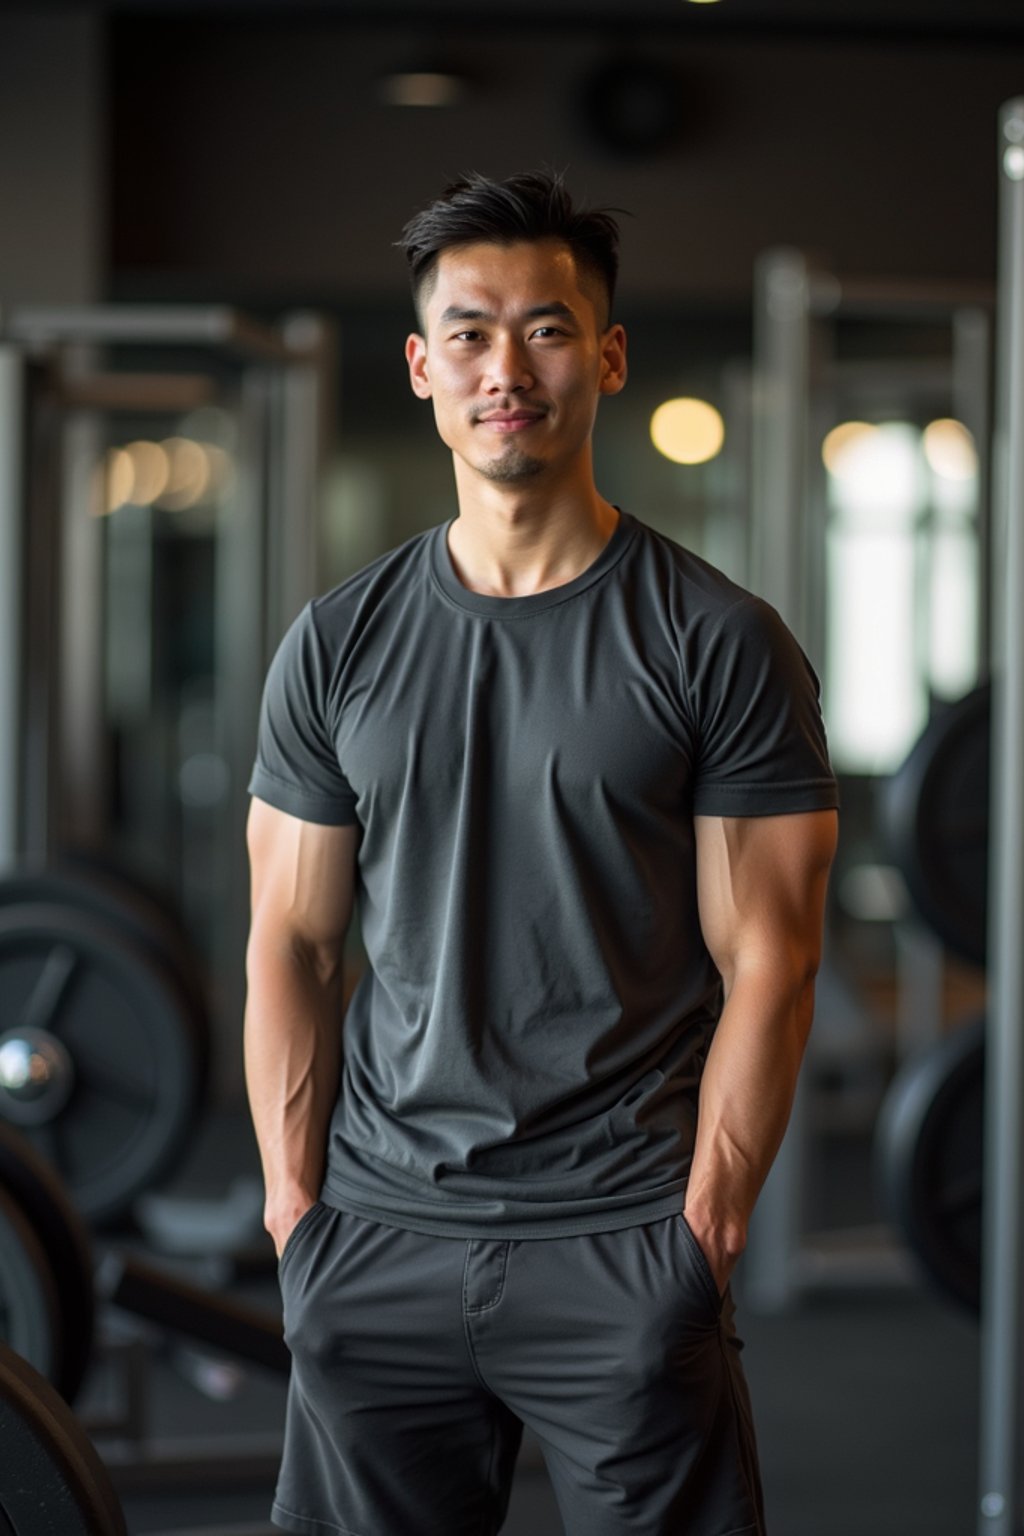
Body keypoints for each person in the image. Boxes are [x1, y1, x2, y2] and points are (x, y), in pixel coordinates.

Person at [244, 169, 839, 1536]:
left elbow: (776, 957)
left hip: (623, 1242)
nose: (507, 367)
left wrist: (703, 1236)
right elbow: (295, 938)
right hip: (378, 1242)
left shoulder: (716, 641)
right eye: (469, 331)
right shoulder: (339, 643)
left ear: (609, 355)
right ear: (420, 365)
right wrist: (297, 1219)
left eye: (550, 328)